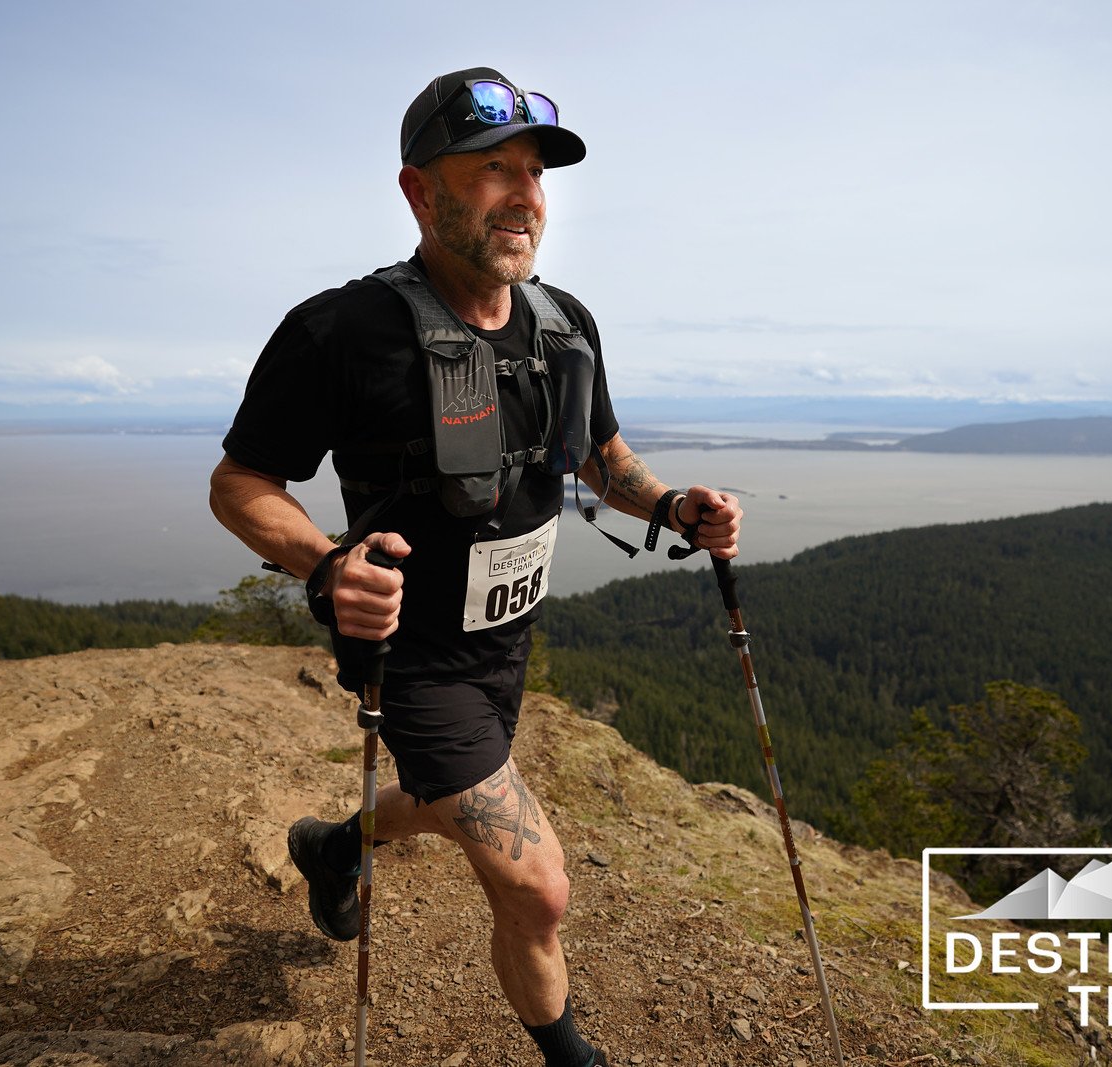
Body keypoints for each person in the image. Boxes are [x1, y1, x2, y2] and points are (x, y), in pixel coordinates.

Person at [208, 67, 742, 1067]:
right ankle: (571, 1055)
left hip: (506, 638)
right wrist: (326, 562)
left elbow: (597, 457)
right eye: (491, 168)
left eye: (534, 172)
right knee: (538, 883)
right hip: (406, 648)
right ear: (419, 191)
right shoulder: (340, 330)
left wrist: (672, 504)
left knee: (455, 795)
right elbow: (241, 480)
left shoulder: (563, 322)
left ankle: (335, 843)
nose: (524, 193)